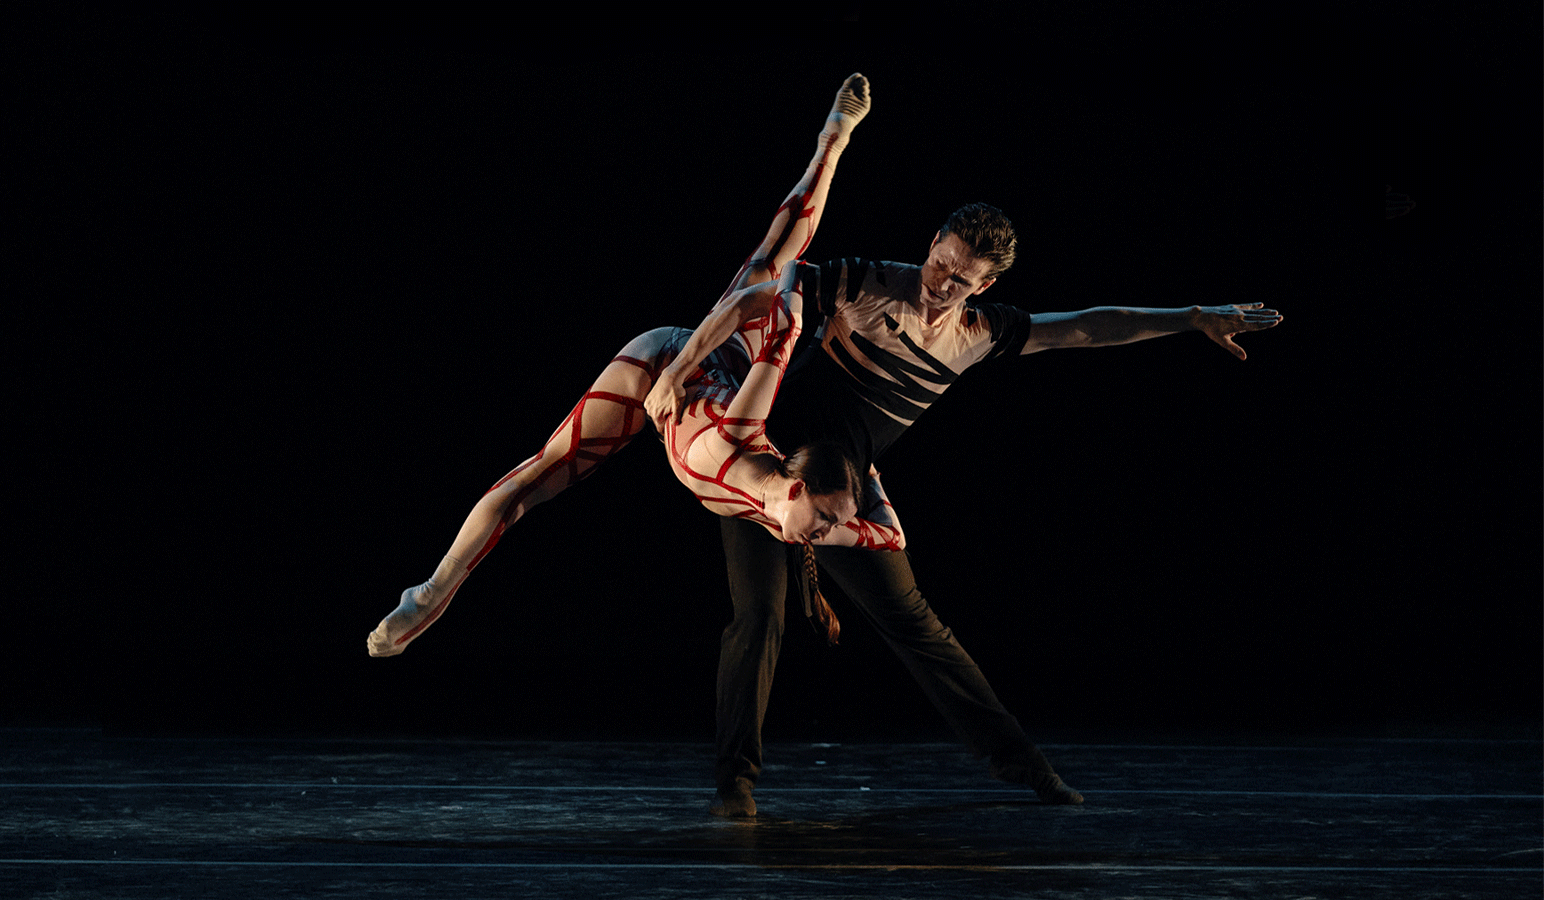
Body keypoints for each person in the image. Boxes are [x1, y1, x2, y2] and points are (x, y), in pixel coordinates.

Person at [644, 107, 1284, 819]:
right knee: (758, 619)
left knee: (916, 623)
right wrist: (684, 368)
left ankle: (1026, 766)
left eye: (960, 279)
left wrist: (1191, 316)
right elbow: (762, 292)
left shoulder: (979, 335)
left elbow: (1086, 327)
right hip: (768, 469)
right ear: (933, 244)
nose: (940, 283)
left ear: (983, 287)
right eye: (940, 263)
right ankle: (736, 784)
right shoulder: (864, 283)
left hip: (850, 490)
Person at [367, 74, 886, 660]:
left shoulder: (792, 518)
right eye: (823, 521)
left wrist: (855, 481)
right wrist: (676, 370)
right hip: (674, 366)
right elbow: (761, 302)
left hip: (716, 412)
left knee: (771, 274)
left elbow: (887, 535)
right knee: (772, 262)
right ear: (797, 488)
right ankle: (433, 593)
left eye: (825, 528)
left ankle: (830, 147)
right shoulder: (751, 434)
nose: (826, 535)